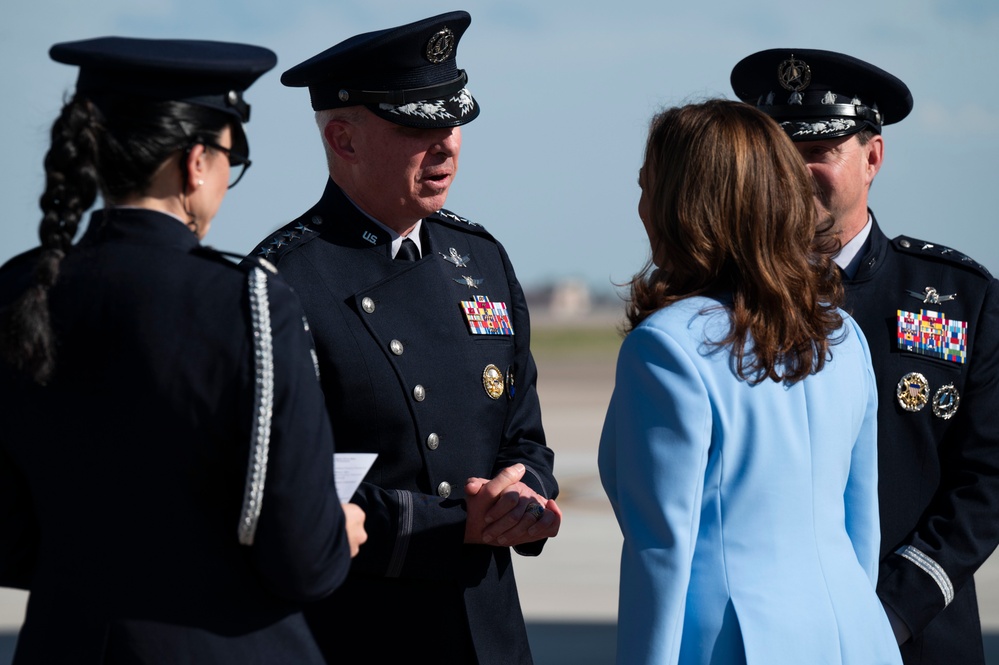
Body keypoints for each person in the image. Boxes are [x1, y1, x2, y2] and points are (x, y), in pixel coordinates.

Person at [0, 37, 367, 664]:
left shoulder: (17, 287)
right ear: (196, 161)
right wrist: (340, 531)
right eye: (231, 157)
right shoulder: (248, 304)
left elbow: (8, 538)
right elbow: (303, 561)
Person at [245, 11, 560, 665]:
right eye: (417, 127)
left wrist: (523, 494)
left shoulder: (480, 259)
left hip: (488, 627)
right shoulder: (284, 278)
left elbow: (524, 436)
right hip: (364, 630)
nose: (445, 144)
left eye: (452, 123)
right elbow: (281, 484)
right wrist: (450, 525)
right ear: (343, 138)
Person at [598, 99, 903, 665]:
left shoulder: (668, 348)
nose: (641, 207)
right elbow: (861, 532)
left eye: (649, 188)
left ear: (683, 207)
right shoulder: (842, 336)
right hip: (857, 637)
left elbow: (662, 556)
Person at [731, 49, 999, 665]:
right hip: (769, 638)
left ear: (872, 157)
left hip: (917, 633)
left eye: (819, 151)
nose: (796, 172)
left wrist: (893, 612)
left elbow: (984, 480)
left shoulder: (959, 298)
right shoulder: (724, 303)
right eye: (780, 154)